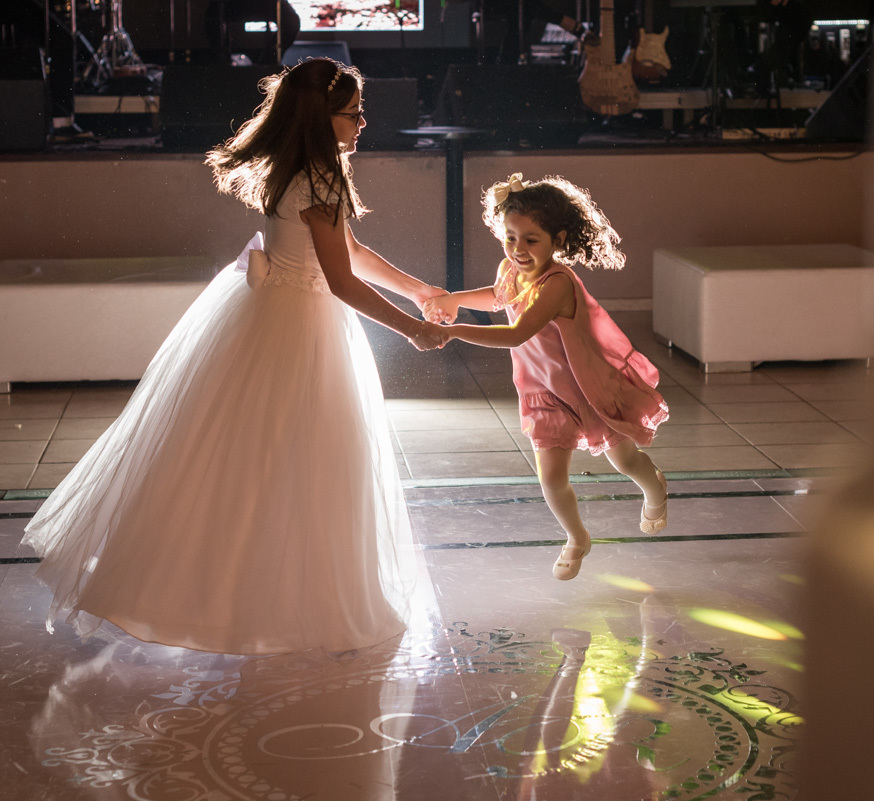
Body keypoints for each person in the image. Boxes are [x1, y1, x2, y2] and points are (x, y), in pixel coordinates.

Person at [22, 58, 448, 655]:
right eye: (353, 112)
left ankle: (253, 591)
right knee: (308, 456)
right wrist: (411, 328)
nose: (362, 122)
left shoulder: (298, 168)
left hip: (272, 313)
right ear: (320, 118)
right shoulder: (320, 179)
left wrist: (420, 290)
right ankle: (285, 602)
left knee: (259, 458)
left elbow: (351, 250)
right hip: (301, 326)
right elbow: (342, 280)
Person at [422, 173, 669, 581]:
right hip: (544, 394)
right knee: (551, 478)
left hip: (586, 388)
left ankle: (655, 487)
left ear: (558, 239)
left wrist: (452, 330)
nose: (518, 249)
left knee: (625, 459)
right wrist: (454, 300)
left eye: (531, 240)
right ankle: (577, 538)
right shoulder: (512, 270)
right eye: (510, 238)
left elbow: (517, 332)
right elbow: (498, 295)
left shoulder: (557, 283)